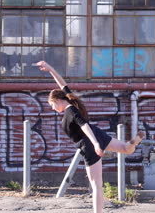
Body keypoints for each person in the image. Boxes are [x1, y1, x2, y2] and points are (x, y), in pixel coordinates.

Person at [35, 61, 144, 213]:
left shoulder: (71, 112)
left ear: (58, 100)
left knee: (96, 184)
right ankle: (133, 141)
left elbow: (84, 126)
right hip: (97, 133)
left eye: (52, 105)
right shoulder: (71, 102)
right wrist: (51, 69)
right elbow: (62, 84)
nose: (53, 108)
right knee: (126, 149)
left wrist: (96, 145)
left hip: (90, 143)